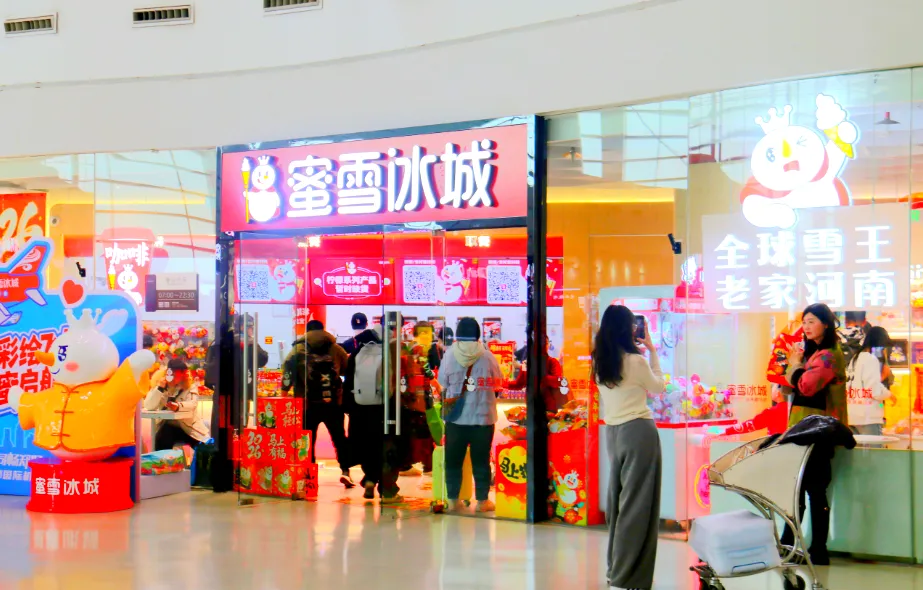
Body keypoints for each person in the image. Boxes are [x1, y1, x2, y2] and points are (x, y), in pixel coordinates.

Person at [593, 305, 663, 590]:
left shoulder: (600, 361)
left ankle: (615, 569)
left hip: (613, 433)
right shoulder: (636, 361)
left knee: (619, 503)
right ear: (628, 329)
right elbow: (658, 387)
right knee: (638, 505)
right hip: (639, 432)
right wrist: (653, 352)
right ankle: (625, 577)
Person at [782, 302, 848, 566]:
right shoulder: (815, 353)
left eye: (811, 321)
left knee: (813, 490)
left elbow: (806, 386)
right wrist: (794, 367)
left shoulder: (829, 355)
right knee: (798, 489)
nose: (806, 326)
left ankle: (816, 548)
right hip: (803, 429)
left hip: (817, 432)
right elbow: (790, 387)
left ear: (826, 324)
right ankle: (790, 544)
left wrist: (794, 366)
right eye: (804, 321)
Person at [438, 317, 503, 513]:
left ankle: (452, 500)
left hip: (456, 419)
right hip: (483, 418)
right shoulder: (488, 356)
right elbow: (498, 383)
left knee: (453, 461)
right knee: (481, 461)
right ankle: (482, 501)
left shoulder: (449, 355)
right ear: (477, 334)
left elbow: (442, 382)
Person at [282, 319, 354, 488]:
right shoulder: (336, 348)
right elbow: (348, 370)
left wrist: (284, 393)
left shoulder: (298, 349)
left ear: (307, 331)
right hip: (333, 403)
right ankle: (345, 471)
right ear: (323, 330)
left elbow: (287, 372)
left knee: (307, 440)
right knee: (339, 438)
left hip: (307, 404)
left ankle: (309, 477)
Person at [343, 322, 405, 503]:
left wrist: (349, 407)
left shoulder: (358, 352)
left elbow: (348, 382)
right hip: (383, 408)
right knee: (386, 446)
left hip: (360, 406)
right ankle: (386, 488)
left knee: (367, 445)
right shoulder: (392, 351)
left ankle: (370, 479)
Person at [145, 358, 210, 451]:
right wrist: (160, 388)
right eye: (174, 372)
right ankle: (163, 460)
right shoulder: (160, 384)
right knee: (163, 435)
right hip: (169, 427)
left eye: (180, 372)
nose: (177, 375)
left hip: (189, 427)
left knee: (206, 448)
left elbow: (192, 404)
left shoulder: (190, 387)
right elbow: (149, 406)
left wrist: (178, 406)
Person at [846, 326, 893, 436]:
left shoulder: (855, 358)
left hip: (853, 415)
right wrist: (889, 394)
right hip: (868, 417)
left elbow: (865, 385)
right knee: (874, 447)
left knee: (857, 447)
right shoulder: (871, 359)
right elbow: (874, 391)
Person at [508, 335, 568, 412]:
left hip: (549, 407)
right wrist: (502, 383)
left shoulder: (552, 362)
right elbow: (519, 384)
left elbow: (557, 381)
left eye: (545, 343)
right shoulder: (526, 364)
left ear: (548, 345)